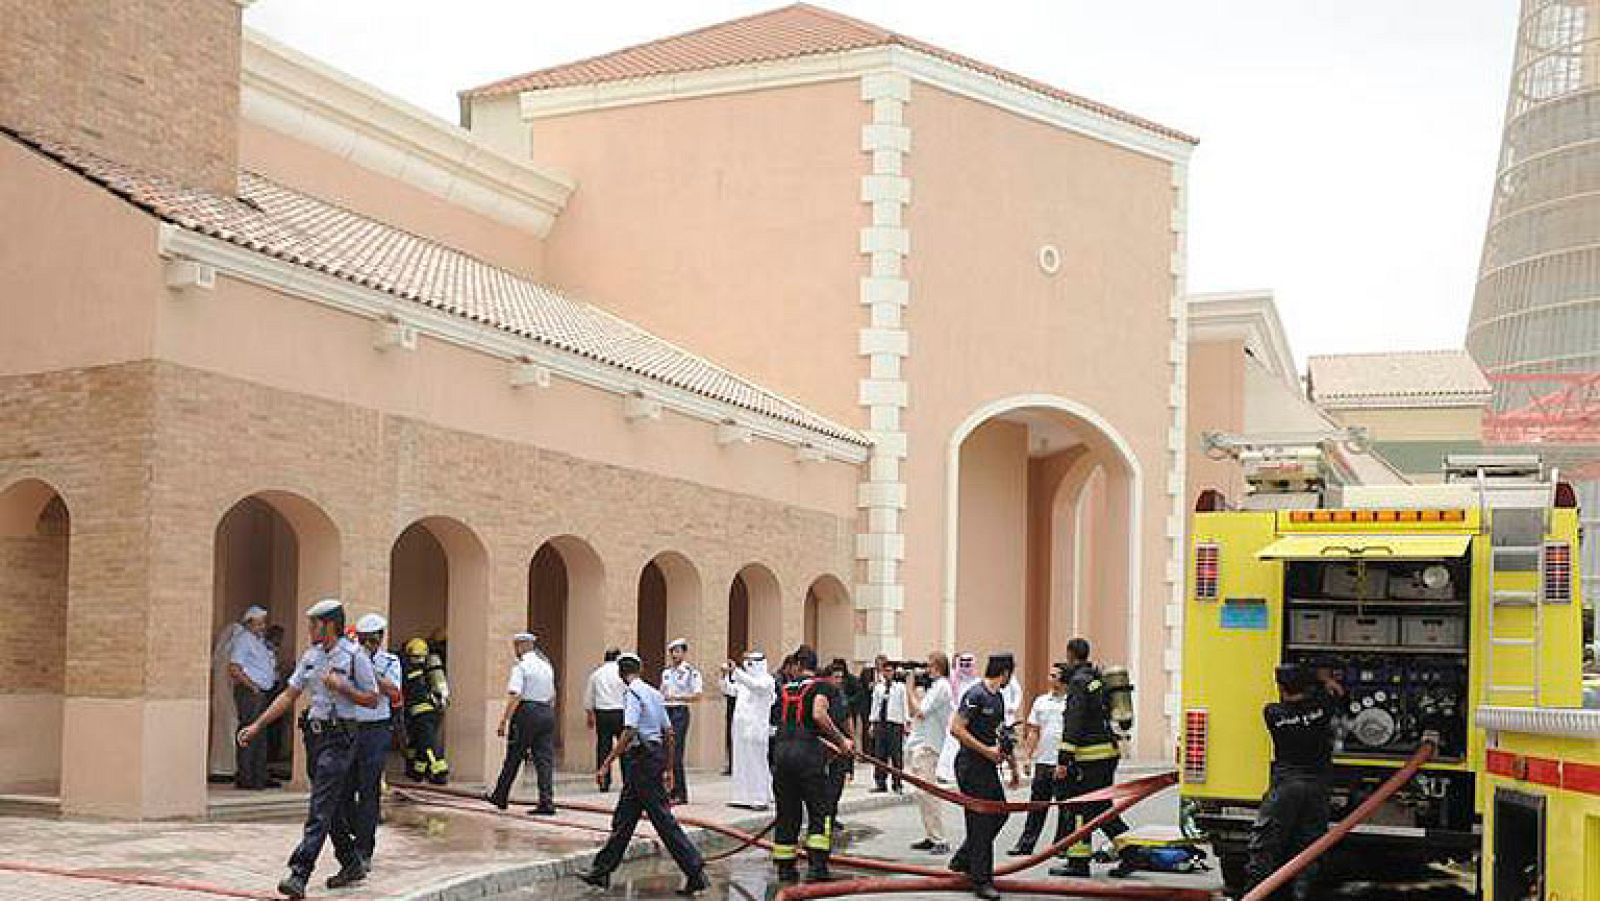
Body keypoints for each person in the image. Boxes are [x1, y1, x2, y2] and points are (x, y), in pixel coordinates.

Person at [238, 598, 381, 899]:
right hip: (314, 739)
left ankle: (299, 873)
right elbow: (289, 695)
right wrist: (257, 725)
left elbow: (372, 698)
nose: (309, 629)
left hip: (340, 739)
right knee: (332, 806)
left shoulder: (355, 656)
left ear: (329, 626)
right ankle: (352, 863)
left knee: (320, 806)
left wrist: (343, 688)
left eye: (313, 624)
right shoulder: (311, 656)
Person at [579, 652, 710, 896]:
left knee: (662, 820)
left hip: (641, 761)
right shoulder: (653, 693)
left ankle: (694, 869)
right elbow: (669, 733)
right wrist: (669, 767)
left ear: (621, 674)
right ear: (639, 670)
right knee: (624, 819)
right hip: (652, 759)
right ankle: (601, 872)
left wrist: (607, 763)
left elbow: (629, 731)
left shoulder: (632, 694)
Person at [1244, 663, 1343, 901]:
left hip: (1286, 786)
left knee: (1266, 845)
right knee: (1309, 846)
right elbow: (1337, 695)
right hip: (1316, 787)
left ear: (1280, 687)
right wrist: (1325, 680)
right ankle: (1301, 892)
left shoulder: (1272, 713)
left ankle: (1256, 893)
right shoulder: (1322, 708)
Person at [768, 645, 853, 883]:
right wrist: (841, 741)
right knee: (819, 810)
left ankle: (785, 867)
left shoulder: (785, 688)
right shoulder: (822, 686)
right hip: (808, 755)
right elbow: (818, 714)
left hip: (782, 754)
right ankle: (817, 866)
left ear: (796, 666)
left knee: (787, 812)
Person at [1049, 638, 1130, 878]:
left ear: (1070, 655)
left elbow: (1074, 722)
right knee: (1099, 807)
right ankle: (1131, 853)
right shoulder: (1096, 678)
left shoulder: (1078, 683)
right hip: (1106, 754)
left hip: (1089, 758)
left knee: (1080, 807)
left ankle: (1079, 863)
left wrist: (1063, 760)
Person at [332, 613, 400, 875]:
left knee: (369, 790)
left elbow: (394, 692)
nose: (368, 644)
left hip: (376, 729)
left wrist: (369, 672)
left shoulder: (390, 661)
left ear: (380, 638)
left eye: (372, 639)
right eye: (363, 640)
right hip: (350, 728)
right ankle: (351, 838)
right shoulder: (347, 659)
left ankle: (364, 849)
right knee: (344, 788)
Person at [949, 652, 1018, 901]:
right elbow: (956, 728)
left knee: (1000, 813)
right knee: (980, 821)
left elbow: (1001, 735)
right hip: (970, 765)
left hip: (987, 766)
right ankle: (981, 880)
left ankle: (965, 856)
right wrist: (985, 751)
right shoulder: (975, 695)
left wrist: (1013, 766)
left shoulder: (998, 698)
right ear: (1006, 673)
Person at [486, 632, 558, 815]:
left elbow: (515, 695)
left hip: (527, 712)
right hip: (546, 711)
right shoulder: (546, 666)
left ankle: (500, 796)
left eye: (515, 647)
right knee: (544, 761)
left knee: (514, 756)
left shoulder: (521, 667)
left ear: (520, 646)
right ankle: (546, 802)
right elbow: (553, 694)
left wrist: (504, 720)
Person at [1009, 662, 1072, 857]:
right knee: (1037, 805)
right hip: (1044, 761)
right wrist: (1027, 757)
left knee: (1065, 807)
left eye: (1055, 676)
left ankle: (1061, 845)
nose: (1050, 679)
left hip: (1062, 762)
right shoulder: (1041, 702)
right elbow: (1034, 732)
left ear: (1064, 680)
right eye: (1050, 675)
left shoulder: (1072, 702)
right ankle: (1026, 844)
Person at [905, 651, 952, 854]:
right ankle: (931, 835)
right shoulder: (934, 687)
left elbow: (920, 711)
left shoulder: (942, 686)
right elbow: (914, 711)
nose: (926, 669)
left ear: (939, 666)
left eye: (930, 665)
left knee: (928, 793)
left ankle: (940, 839)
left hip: (929, 746)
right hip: (921, 744)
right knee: (922, 794)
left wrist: (908, 689)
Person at [229, 606, 279, 790]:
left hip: (262, 692)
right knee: (249, 733)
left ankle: (258, 776)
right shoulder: (243, 640)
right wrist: (253, 687)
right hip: (250, 693)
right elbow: (234, 667)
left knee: (260, 735)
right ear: (250, 622)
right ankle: (246, 777)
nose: (263, 626)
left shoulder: (259, 641)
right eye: (260, 622)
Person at [721, 650, 775, 809]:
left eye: (752, 663)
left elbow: (756, 687)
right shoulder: (743, 682)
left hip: (756, 730)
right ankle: (741, 797)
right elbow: (730, 690)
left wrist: (736, 671)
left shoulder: (767, 681)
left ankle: (760, 798)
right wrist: (725, 676)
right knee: (740, 763)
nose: (749, 666)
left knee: (757, 764)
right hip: (740, 730)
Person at [660, 638, 703, 805]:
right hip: (666, 710)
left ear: (684, 653)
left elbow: (697, 695)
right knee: (665, 751)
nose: (674, 654)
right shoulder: (666, 672)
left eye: (677, 651)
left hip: (679, 710)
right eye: (672, 651)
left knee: (676, 752)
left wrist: (676, 697)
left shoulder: (691, 672)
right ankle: (667, 790)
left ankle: (680, 792)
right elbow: (662, 690)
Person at [401, 636, 450, 784]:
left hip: (421, 715)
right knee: (416, 744)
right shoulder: (426, 671)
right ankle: (416, 771)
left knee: (427, 745)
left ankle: (439, 772)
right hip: (429, 713)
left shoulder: (409, 671)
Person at [585, 648, 626, 793]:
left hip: (602, 713)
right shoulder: (622, 673)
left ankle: (604, 781)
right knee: (624, 747)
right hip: (621, 712)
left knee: (603, 747)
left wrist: (590, 715)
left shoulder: (596, 674)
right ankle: (627, 780)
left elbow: (589, 696)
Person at [867, 657, 907, 793]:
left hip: (895, 723)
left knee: (896, 754)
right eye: (885, 671)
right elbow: (875, 706)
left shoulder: (900, 688)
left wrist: (906, 722)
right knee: (880, 754)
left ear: (894, 672)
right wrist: (872, 722)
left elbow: (904, 705)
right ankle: (880, 782)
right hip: (881, 723)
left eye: (890, 671)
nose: (887, 673)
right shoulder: (879, 688)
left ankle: (897, 783)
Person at [938, 652, 978, 783]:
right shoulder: (954, 680)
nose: (965, 666)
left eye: (968, 663)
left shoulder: (977, 682)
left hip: (971, 719)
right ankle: (945, 773)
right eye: (963, 663)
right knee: (950, 746)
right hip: (956, 716)